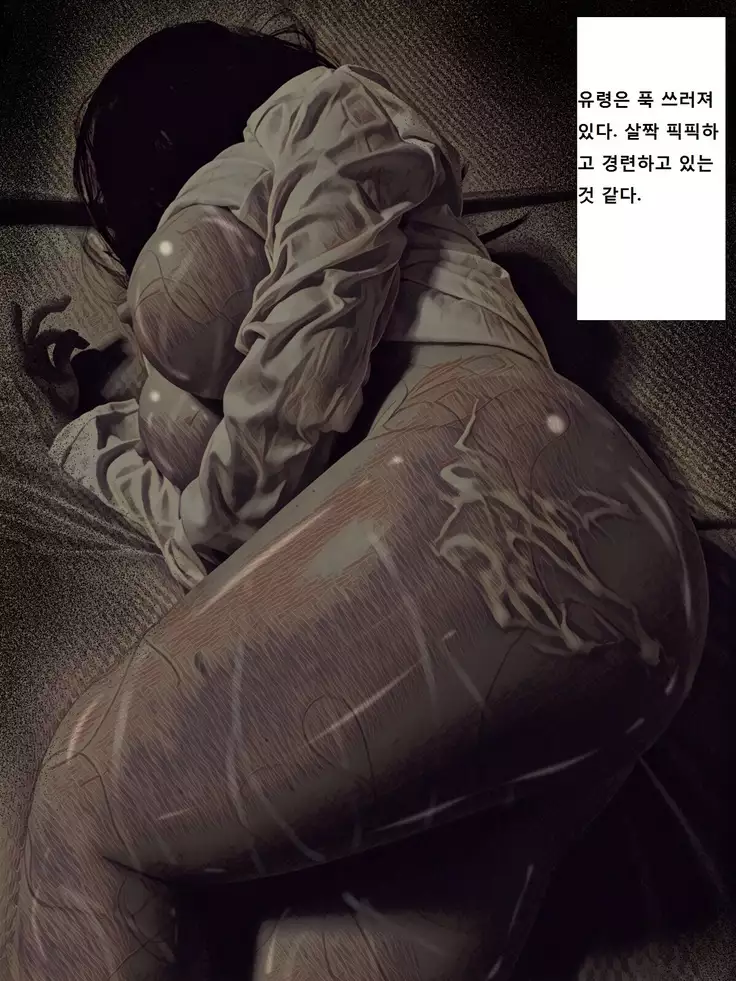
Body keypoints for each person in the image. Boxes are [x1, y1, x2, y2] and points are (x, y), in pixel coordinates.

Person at [4, 18, 708, 981]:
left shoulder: (320, 112)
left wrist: (199, 489)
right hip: (637, 606)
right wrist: (85, 436)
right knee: (312, 961)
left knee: (86, 808)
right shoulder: (357, 254)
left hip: (492, 477)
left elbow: (268, 443)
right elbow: (230, 521)